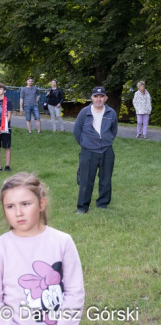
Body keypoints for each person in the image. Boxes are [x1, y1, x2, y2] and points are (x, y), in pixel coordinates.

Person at [0, 173, 85, 322]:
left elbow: (74, 293)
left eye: (25, 204)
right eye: (10, 206)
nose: (18, 213)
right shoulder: (2, 247)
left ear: (41, 204)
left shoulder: (62, 242)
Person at [74, 86, 118, 213]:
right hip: (88, 151)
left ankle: (102, 204)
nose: (99, 99)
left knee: (106, 178)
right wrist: (86, 144)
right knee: (86, 180)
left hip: (106, 151)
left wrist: (105, 141)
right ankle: (82, 207)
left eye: (101, 96)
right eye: (96, 96)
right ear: (91, 98)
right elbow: (77, 131)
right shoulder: (84, 112)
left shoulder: (111, 113)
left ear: (106, 98)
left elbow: (113, 131)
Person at [0, 84, 13, 171]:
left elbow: (9, 115)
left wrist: (2, 127)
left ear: (4, 91)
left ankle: (7, 166)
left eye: (0, 89)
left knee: (7, 146)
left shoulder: (8, 102)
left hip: (5, 127)